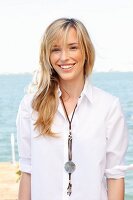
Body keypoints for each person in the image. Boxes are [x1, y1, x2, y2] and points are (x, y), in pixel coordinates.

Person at [17, 18, 128, 200]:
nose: (64, 57)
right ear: (48, 55)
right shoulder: (31, 106)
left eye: (73, 47)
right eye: (55, 49)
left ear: (86, 51)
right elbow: (27, 171)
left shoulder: (109, 107)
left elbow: (115, 177)